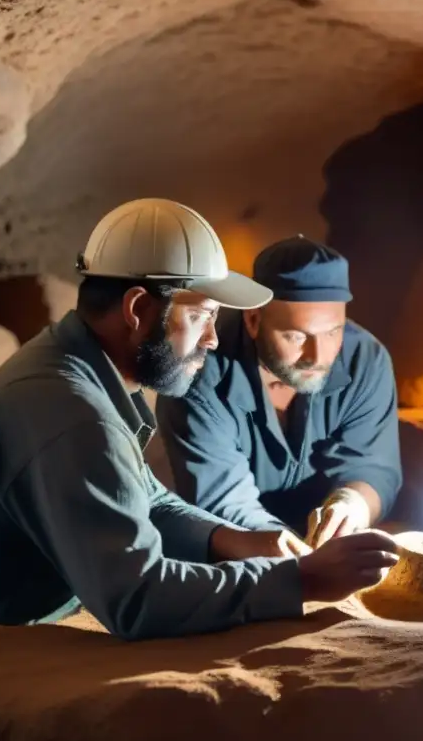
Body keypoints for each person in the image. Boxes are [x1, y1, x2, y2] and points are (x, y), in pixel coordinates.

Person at [0, 199, 399, 639]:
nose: (211, 339)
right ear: (138, 308)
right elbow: (139, 599)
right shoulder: (71, 410)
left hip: (10, 621)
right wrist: (303, 581)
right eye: (201, 316)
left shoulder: (75, 368)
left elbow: (142, 494)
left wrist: (237, 540)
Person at [154, 235, 402, 550]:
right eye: (296, 336)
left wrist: (353, 503)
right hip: (231, 552)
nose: (318, 354)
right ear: (254, 319)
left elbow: (373, 466)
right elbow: (224, 503)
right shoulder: (199, 372)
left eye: (332, 331)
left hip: (323, 550)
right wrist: (304, 560)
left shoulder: (366, 360)